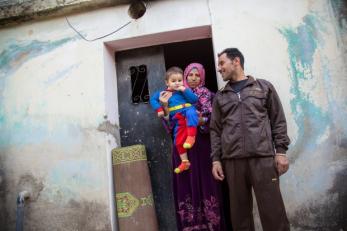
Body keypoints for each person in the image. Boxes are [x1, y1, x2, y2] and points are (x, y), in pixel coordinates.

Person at [210, 48, 291, 231]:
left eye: (222, 63)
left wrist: (281, 152)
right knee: (240, 217)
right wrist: (216, 159)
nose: (219, 68)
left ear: (236, 61)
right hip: (233, 162)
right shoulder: (220, 97)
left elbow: (278, 120)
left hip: (262, 158)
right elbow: (215, 130)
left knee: (273, 212)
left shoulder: (263, 87)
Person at [159, 63, 227, 231]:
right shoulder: (172, 96)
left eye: (197, 75)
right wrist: (166, 107)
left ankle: (213, 226)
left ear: (202, 77)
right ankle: (191, 226)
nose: (194, 78)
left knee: (207, 182)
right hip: (182, 147)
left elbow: (215, 121)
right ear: (185, 78)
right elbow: (168, 124)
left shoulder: (209, 95)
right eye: (190, 75)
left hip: (203, 146)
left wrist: (200, 120)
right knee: (185, 183)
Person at [150, 66, 199, 174]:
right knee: (178, 141)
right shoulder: (163, 94)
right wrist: (159, 109)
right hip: (177, 119)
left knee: (192, 113)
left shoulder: (183, 91)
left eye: (180, 80)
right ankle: (185, 162)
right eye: (173, 81)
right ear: (167, 82)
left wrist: (185, 90)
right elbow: (152, 99)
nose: (177, 83)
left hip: (187, 110)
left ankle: (191, 136)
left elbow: (194, 100)